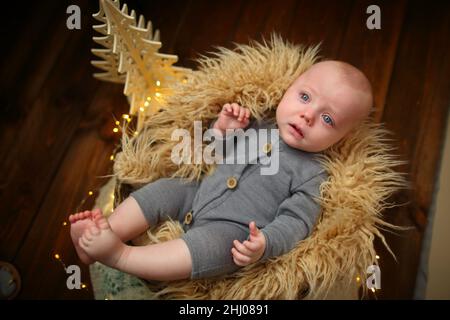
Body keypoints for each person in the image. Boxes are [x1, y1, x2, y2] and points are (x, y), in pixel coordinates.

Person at [69, 60, 373, 281]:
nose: (308, 115)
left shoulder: (314, 174)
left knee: (212, 250)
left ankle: (121, 256)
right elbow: (213, 153)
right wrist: (223, 129)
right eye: (305, 97)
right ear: (288, 89)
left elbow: (296, 222)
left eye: (328, 120)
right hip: (198, 190)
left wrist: (264, 244)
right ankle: (103, 234)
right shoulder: (260, 123)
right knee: (164, 190)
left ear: (341, 138)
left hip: (233, 230)